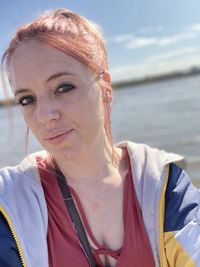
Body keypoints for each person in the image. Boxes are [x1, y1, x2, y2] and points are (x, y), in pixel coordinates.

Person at [0, 8, 200, 267]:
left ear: (104, 87)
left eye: (63, 87)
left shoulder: (164, 184)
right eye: (27, 99)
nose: (44, 115)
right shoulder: (10, 202)